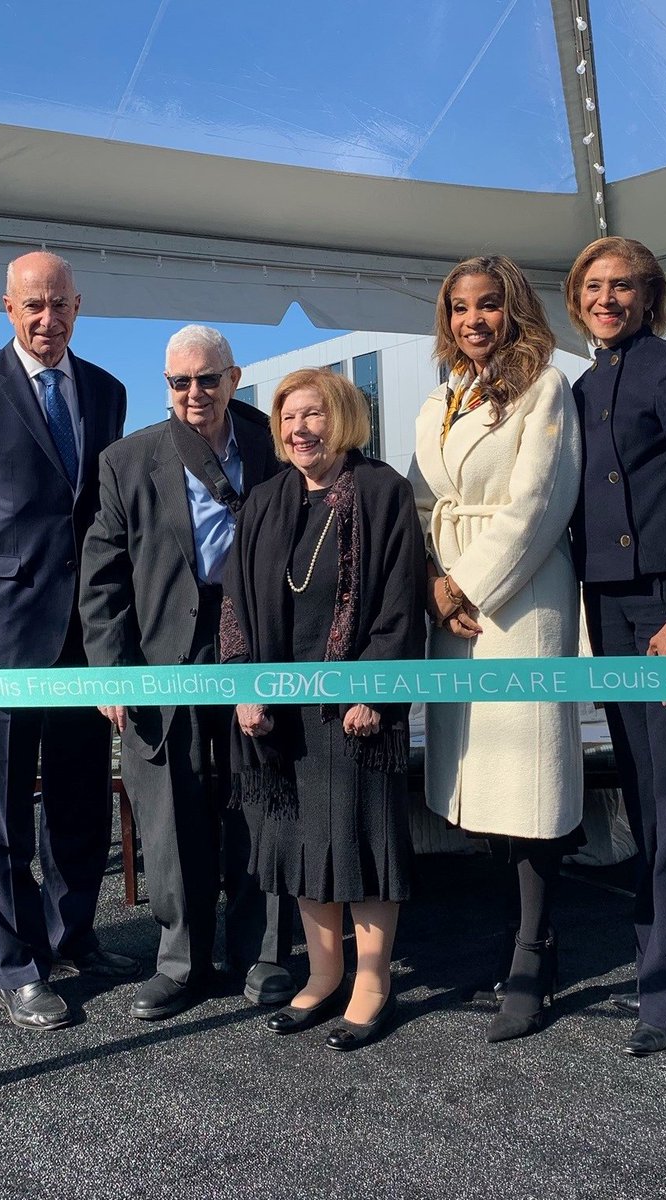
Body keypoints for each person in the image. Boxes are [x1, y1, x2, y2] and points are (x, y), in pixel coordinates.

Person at [0, 251, 138, 1032]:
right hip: (0, 631)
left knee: (80, 796)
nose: (49, 320)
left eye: (61, 305)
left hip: (89, 631)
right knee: (1, 808)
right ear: (8, 309)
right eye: (33, 306)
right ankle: (16, 965)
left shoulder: (106, 391)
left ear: (80, 304)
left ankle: (73, 935)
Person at [79, 325, 295, 1022]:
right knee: (168, 810)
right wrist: (111, 672)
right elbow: (103, 573)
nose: (194, 394)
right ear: (166, 386)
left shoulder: (274, 444)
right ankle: (181, 962)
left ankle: (264, 955)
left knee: (259, 796)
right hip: (160, 651)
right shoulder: (127, 460)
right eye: (180, 382)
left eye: (208, 379)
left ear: (233, 378)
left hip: (257, 643)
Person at [220, 368, 426, 1052]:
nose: (299, 429)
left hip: (354, 708)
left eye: (312, 415)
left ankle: (371, 984)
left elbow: (400, 598)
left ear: (341, 419)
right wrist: (243, 686)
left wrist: (373, 686)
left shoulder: (380, 491)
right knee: (302, 847)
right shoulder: (266, 499)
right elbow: (234, 605)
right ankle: (323, 975)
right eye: (287, 418)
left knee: (362, 845)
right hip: (282, 715)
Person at [407, 254, 583, 1044]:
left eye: (486, 306)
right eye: (458, 309)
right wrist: (434, 585)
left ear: (513, 310)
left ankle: (534, 947)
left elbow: (539, 502)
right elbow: (419, 501)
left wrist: (469, 585)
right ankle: (511, 928)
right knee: (480, 778)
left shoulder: (544, 386)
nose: (472, 321)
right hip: (453, 599)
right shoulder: (440, 400)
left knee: (528, 777)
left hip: (519, 599)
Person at [565, 236, 666, 1057]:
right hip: (611, 607)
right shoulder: (582, 384)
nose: (608, 297)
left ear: (649, 294)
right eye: (595, 286)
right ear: (577, 298)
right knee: (644, 791)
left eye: (624, 285)